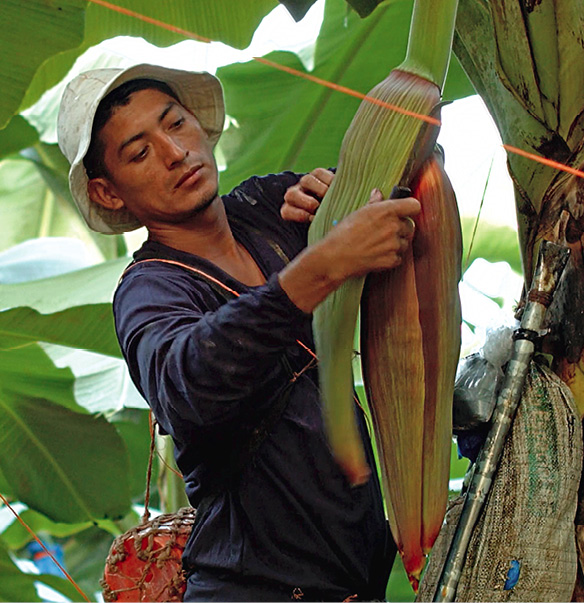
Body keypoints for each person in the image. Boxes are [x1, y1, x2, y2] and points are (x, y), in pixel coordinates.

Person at [57, 64, 421, 602]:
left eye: (176, 124)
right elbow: (188, 385)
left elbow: (407, 206)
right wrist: (321, 265)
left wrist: (353, 200)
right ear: (109, 194)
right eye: (139, 153)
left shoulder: (272, 207)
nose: (174, 152)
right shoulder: (149, 289)